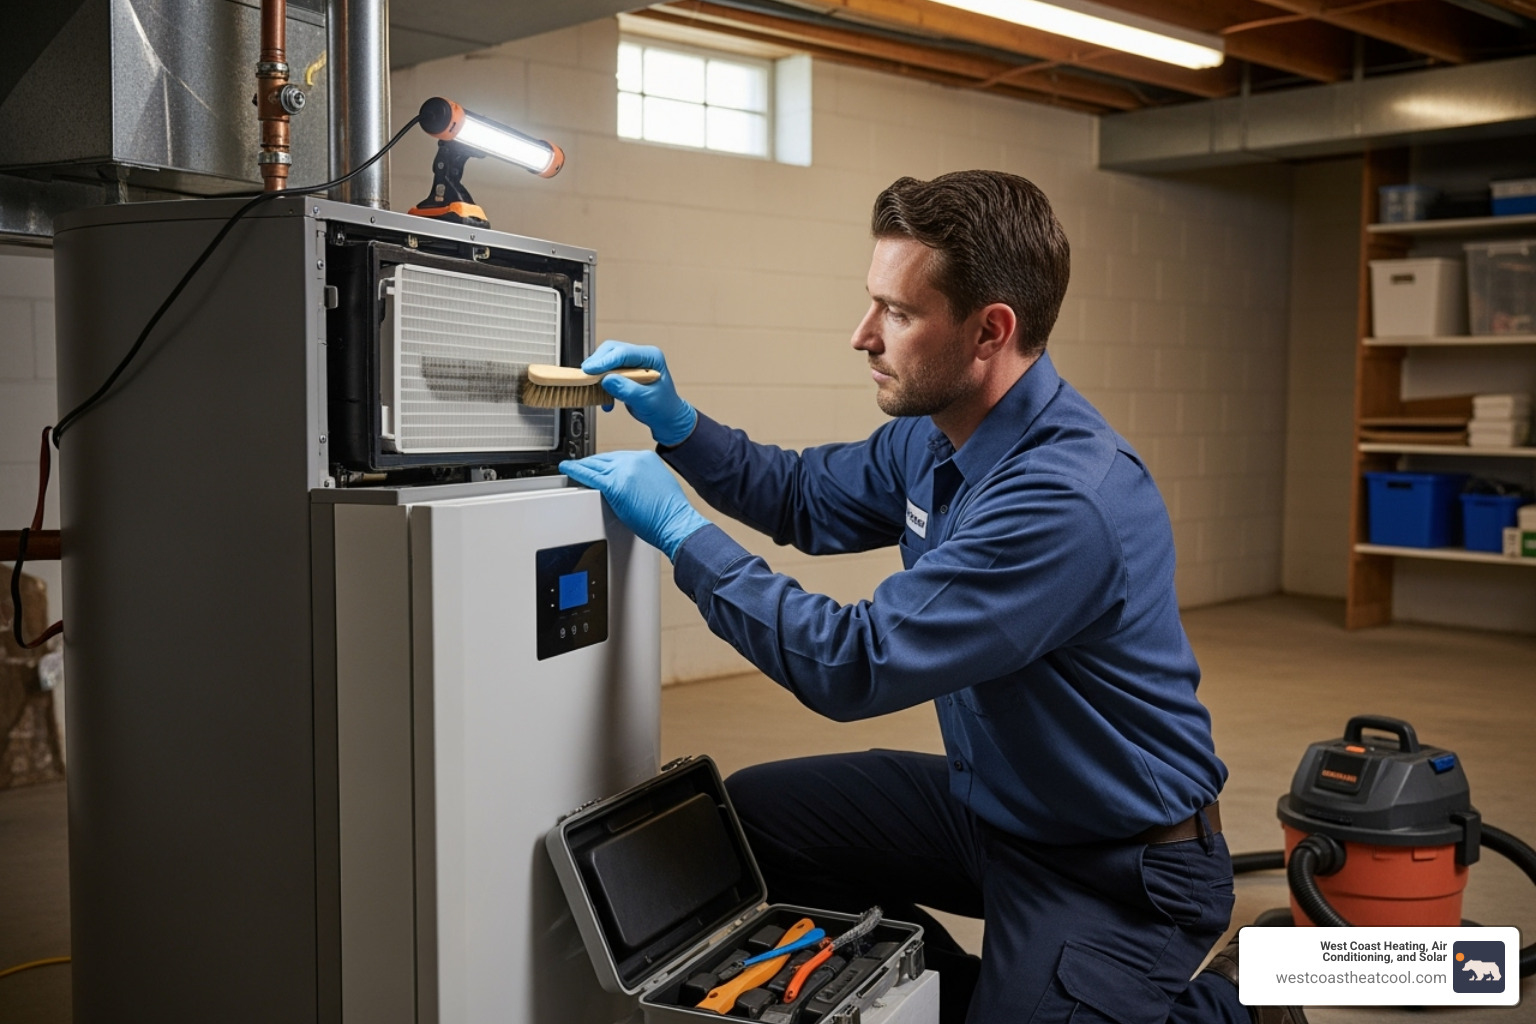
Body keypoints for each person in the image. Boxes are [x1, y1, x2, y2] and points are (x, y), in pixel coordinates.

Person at [559, 170, 1303, 1024]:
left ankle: (1247, 1001)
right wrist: (683, 428)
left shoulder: (1066, 499)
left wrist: (682, 534)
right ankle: (970, 997)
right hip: (995, 808)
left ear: (990, 332)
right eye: (872, 303)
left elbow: (856, 664)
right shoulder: (934, 436)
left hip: (1120, 865)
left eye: (899, 314)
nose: (862, 336)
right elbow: (803, 495)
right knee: (750, 824)